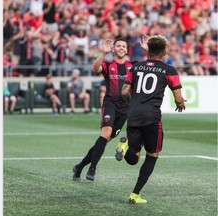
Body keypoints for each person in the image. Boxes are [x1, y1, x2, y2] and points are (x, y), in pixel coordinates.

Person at [116, 35, 186, 204]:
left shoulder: (135, 68)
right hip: (152, 117)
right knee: (152, 155)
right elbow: (177, 97)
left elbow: (124, 92)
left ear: (148, 51)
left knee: (134, 158)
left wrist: (132, 104)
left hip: (133, 115)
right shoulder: (169, 70)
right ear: (164, 51)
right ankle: (134, 195)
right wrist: (181, 103)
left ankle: (124, 146)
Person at [72, 38, 146, 181]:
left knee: (103, 141)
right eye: (118, 46)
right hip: (110, 104)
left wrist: (146, 50)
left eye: (124, 46)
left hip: (125, 108)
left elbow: (150, 65)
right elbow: (94, 69)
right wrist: (102, 54)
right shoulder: (108, 64)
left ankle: (79, 167)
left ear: (126, 49)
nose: (121, 48)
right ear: (113, 49)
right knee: (106, 133)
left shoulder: (133, 65)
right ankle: (92, 169)